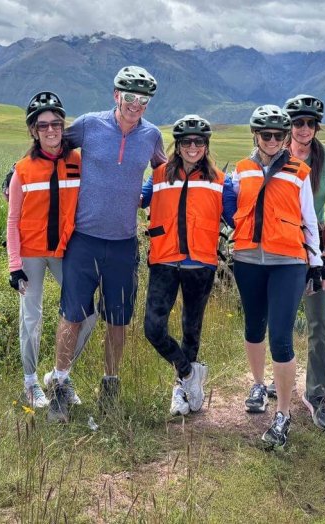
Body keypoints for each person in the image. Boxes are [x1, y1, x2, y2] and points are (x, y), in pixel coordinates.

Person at [46, 66, 167, 423]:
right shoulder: (90, 125)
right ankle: (59, 389)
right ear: (116, 95)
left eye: (143, 99)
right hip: (83, 241)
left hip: (123, 244)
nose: (136, 104)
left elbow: (168, 174)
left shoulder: (152, 136)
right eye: (130, 96)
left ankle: (110, 389)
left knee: (118, 321)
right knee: (71, 316)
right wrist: (17, 171)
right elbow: (51, 145)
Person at [225, 105, 323, 448]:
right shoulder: (240, 170)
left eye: (278, 135)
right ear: (255, 135)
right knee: (253, 326)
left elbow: (309, 219)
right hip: (248, 258)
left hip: (288, 262)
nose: (272, 140)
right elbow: (229, 209)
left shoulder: (299, 171)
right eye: (265, 135)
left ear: (285, 138)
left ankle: (283, 413)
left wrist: (318, 261)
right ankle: (257, 384)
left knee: (280, 336)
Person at [5, 91, 97, 408]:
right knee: (31, 318)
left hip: (65, 252)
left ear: (63, 126)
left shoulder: (78, 162)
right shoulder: (22, 170)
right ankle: (30, 383)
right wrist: (13, 266)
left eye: (56, 123)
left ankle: (60, 375)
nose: (50, 130)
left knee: (87, 313)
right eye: (42, 125)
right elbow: (12, 219)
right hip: (30, 254)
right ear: (33, 130)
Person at [140, 114, 233, 416]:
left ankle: (181, 391)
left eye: (199, 142)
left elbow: (240, 219)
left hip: (201, 265)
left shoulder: (220, 181)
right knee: (153, 329)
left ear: (206, 146)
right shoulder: (158, 175)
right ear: (177, 146)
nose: (193, 147)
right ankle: (189, 372)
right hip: (164, 261)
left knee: (191, 331)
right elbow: (130, 198)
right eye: (186, 142)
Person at [281, 94, 325, 431]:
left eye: (310, 123)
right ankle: (272, 388)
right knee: (278, 320)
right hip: (279, 245)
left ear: (317, 127)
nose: (304, 129)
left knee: (318, 323)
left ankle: (317, 394)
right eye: (298, 123)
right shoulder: (276, 152)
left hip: (314, 246)